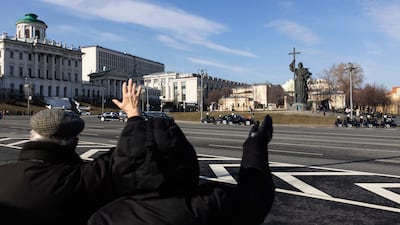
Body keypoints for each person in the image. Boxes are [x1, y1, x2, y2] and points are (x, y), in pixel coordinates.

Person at [87, 80, 275, 224]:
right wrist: (255, 145)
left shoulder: (107, 217)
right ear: (186, 158)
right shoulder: (210, 205)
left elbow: (135, 155)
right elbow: (256, 198)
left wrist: (134, 115)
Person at [0, 79, 142, 225]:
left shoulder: (3, 173)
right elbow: (132, 153)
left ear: (31, 135)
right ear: (72, 142)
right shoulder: (81, 179)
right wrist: (133, 114)